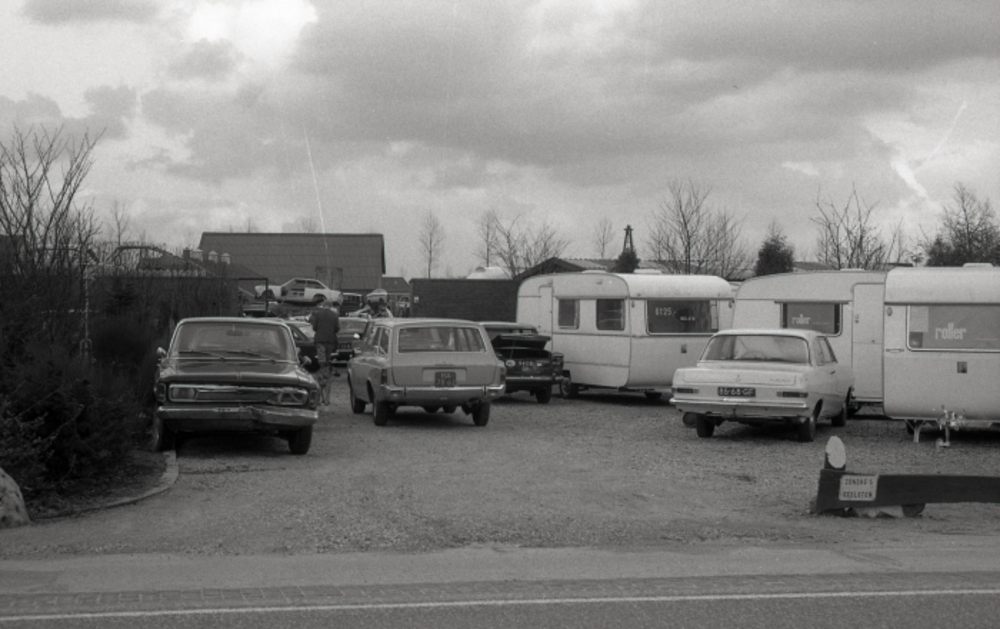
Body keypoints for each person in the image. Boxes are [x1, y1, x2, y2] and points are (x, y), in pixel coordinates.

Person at [308, 299, 341, 377]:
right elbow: (337, 328)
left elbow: (314, 328)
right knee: (328, 356)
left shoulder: (318, 314)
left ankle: (323, 371)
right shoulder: (335, 315)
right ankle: (326, 371)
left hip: (320, 338)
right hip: (330, 339)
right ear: (331, 306)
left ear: (323, 305)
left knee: (321, 355)